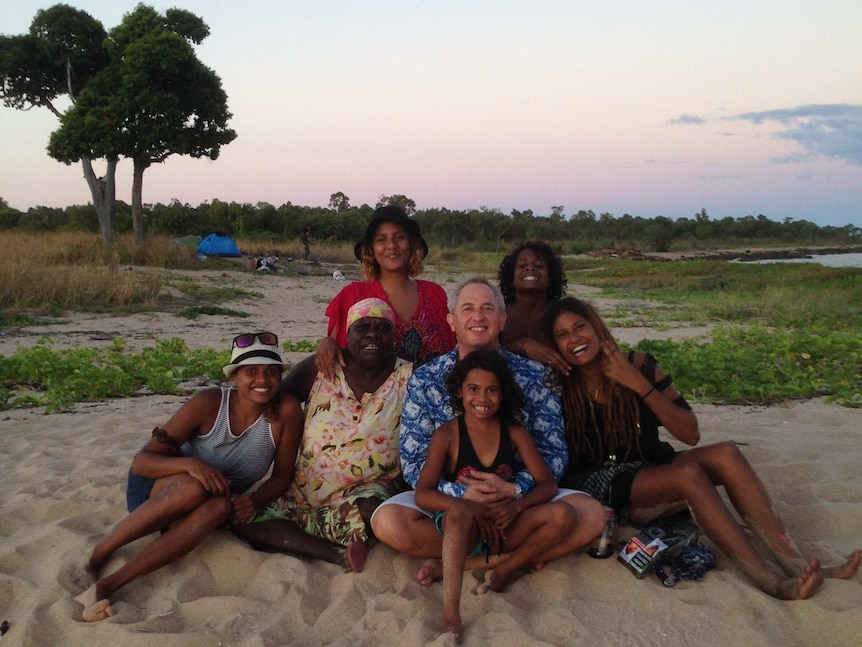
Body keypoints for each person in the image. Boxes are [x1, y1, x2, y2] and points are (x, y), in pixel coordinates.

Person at [548, 296, 862, 600]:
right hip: (605, 485)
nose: (574, 338)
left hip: (653, 465)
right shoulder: (561, 384)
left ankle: (794, 562)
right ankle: (771, 581)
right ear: (555, 346)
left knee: (725, 453)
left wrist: (637, 384)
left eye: (580, 327)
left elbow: (690, 434)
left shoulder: (640, 365)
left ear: (597, 327)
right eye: (562, 335)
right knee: (687, 474)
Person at [371, 277, 606, 586]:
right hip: (451, 504)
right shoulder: (426, 380)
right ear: (452, 321)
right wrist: (464, 495)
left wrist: (512, 490)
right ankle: (517, 555)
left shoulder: (536, 376)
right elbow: (415, 463)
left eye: (487, 308)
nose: (478, 317)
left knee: (592, 514)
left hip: (518, 501)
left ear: (502, 319)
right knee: (388, 523)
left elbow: (554, 454)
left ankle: (467, 562)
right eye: (467, 309)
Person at [81, 332, 302, 621]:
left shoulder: (286, 411)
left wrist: (252, 500)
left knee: (221, 505)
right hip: (160, 492)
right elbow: (143, 462)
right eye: (252, 371)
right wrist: (191, 465)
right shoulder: (209, 402)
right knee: (195, 486)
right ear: (235, 376)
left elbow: (282, 477)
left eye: (271, 372)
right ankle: (99, 555)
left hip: (211, 503)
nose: (263, 380)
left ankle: (110, 584)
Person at [236, 299, 412, 573]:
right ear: (347, 334)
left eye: (383, 328)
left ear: (394, 337)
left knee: (373, 512)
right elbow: (274, 403)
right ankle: (334, 553)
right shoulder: (320, 367)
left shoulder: (410, 377)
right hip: (303, 488)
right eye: (362, 327)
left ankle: (318, 536)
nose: (372, 334)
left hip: (364, 492)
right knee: (243, 517)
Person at [416, 349, 561, 641]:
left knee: (562, 515)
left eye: (492, 390)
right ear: (459, 391)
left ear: (503, 393)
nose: (482, 399)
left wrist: (517, 507)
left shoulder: (515, 432)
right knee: (457, 514)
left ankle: (501, 566)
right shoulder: (447, 435)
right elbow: (423, 493)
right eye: (473, 389)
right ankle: (451, 613)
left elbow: (548, 485)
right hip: (464, 528)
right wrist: (470, 507)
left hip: (503, 523)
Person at [316, 205, 455, 376]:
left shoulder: (435, 294)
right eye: (381, 239)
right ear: (371, 250)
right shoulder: (353, 295)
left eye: (399, 237)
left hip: (433, 398)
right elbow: (334, 347)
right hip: (374, 400)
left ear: (411, 244)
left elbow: (454, 349)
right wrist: (327, 343)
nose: (391, 245)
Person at [497, 241, 570, 374]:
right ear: (511, 278)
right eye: (522, 265)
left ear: (550, 278)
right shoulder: (499, 314)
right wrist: (522, 345)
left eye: (539, 265)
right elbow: (486, 352)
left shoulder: (561, 316)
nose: (530, 268)